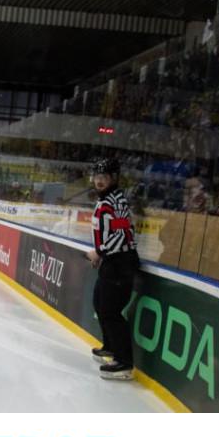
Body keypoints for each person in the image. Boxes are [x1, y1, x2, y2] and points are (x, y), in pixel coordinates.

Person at [86, 158, 140, 380]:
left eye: (104, 177)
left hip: (120, 263)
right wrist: (102, 254)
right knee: (99, 302)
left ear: (114, 178)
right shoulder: (106, 199)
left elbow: (122, 235)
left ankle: (124, 363)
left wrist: (99, 252)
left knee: (110, 311)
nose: (99, 181)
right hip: (111, 261)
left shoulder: (116, 202)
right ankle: (110, 346)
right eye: (97, 177)